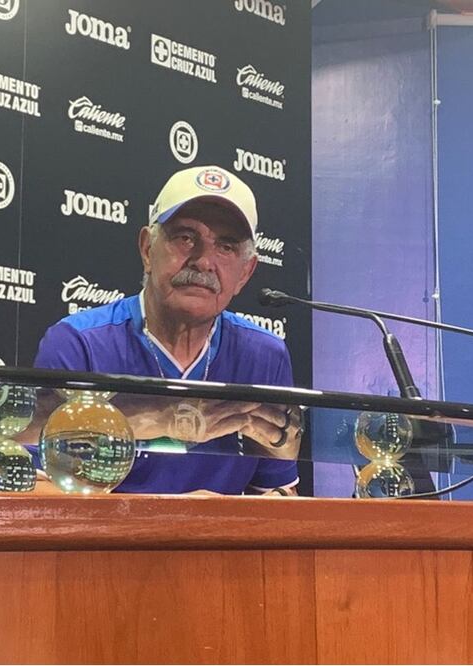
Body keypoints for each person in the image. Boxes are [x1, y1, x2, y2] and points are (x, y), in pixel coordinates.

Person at [33, 165, 302, 494]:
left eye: (226, 247)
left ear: (245, 273)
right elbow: (38, 492)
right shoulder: (79, 343)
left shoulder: (265, 356)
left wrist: (220, 523)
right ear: (148, 249)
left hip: (219, 545)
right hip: (106, 546)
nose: (203, 261)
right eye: (186, 238)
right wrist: (176, 518)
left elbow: (279, 494)